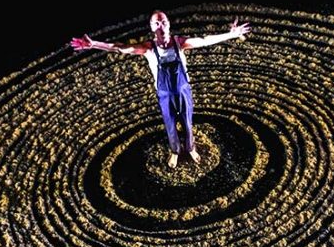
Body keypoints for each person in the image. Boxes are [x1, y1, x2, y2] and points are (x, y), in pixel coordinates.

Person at [70, 11, 251, 168]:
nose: (160, 25)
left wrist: (230, 34)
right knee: (170, 125)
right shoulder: (148, 48)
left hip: (183, 91)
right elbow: (120, 48)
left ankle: (191, 148)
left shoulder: (180, 43)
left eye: (163, 21)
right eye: (156, 22)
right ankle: (175, 151)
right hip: (164, 94)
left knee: (187, 122)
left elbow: (204, 41)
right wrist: (94, 44)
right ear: (151, 27)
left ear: (169, 24)